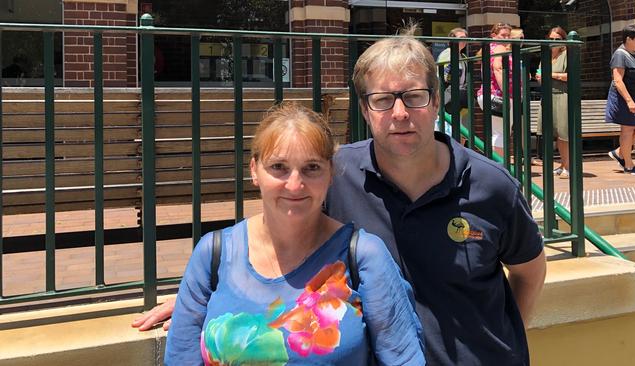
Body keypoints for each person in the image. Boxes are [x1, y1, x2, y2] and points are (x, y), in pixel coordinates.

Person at [136, 25, 547, 366]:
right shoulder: (337, 174)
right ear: (366, 110)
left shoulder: (491, 186)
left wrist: (497, 341)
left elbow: (530, 272)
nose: (400, 114)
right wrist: (214, 293)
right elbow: (285, 242)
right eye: (383, 100)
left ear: (436, 101)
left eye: (414, 97)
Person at [163, 102, 425, 365]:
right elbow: (181, 358)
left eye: (312, 168)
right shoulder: (213, 254)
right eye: (279, 167)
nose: (295, 185)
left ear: (331, 173)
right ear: (254, 170)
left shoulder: (364, 256)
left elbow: (404, 358)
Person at [605, 23, 635, 176]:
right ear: (629, 39)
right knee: (628, 129)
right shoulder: (620, 54)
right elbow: (618, 80)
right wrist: (629, 101)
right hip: (625, 97)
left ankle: (619, 152)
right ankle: (628, 165)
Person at [535, 27, 570, 178]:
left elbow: (570, 75)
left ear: (563, 40)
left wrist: (550, 74)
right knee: (554, 134)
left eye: (558, 40)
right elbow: (541, 73)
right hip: (548, 96)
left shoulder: (568, 54)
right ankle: (562, 164)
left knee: (564, 134)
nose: (554, 42)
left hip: (562, 96)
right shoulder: (546, 56)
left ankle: (568, 167)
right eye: (551, 39)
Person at [476, 23, 514, 157]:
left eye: (509, 35)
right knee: (501, 133)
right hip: (498, 95)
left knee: (498, 132)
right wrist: (506, 92)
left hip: (488, 94)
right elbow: (498, 68)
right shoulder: (499, 47)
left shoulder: (489, 48)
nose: (507, 38)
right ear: (493, 35)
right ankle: (499, 167)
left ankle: (495, 166)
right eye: (503, 35)